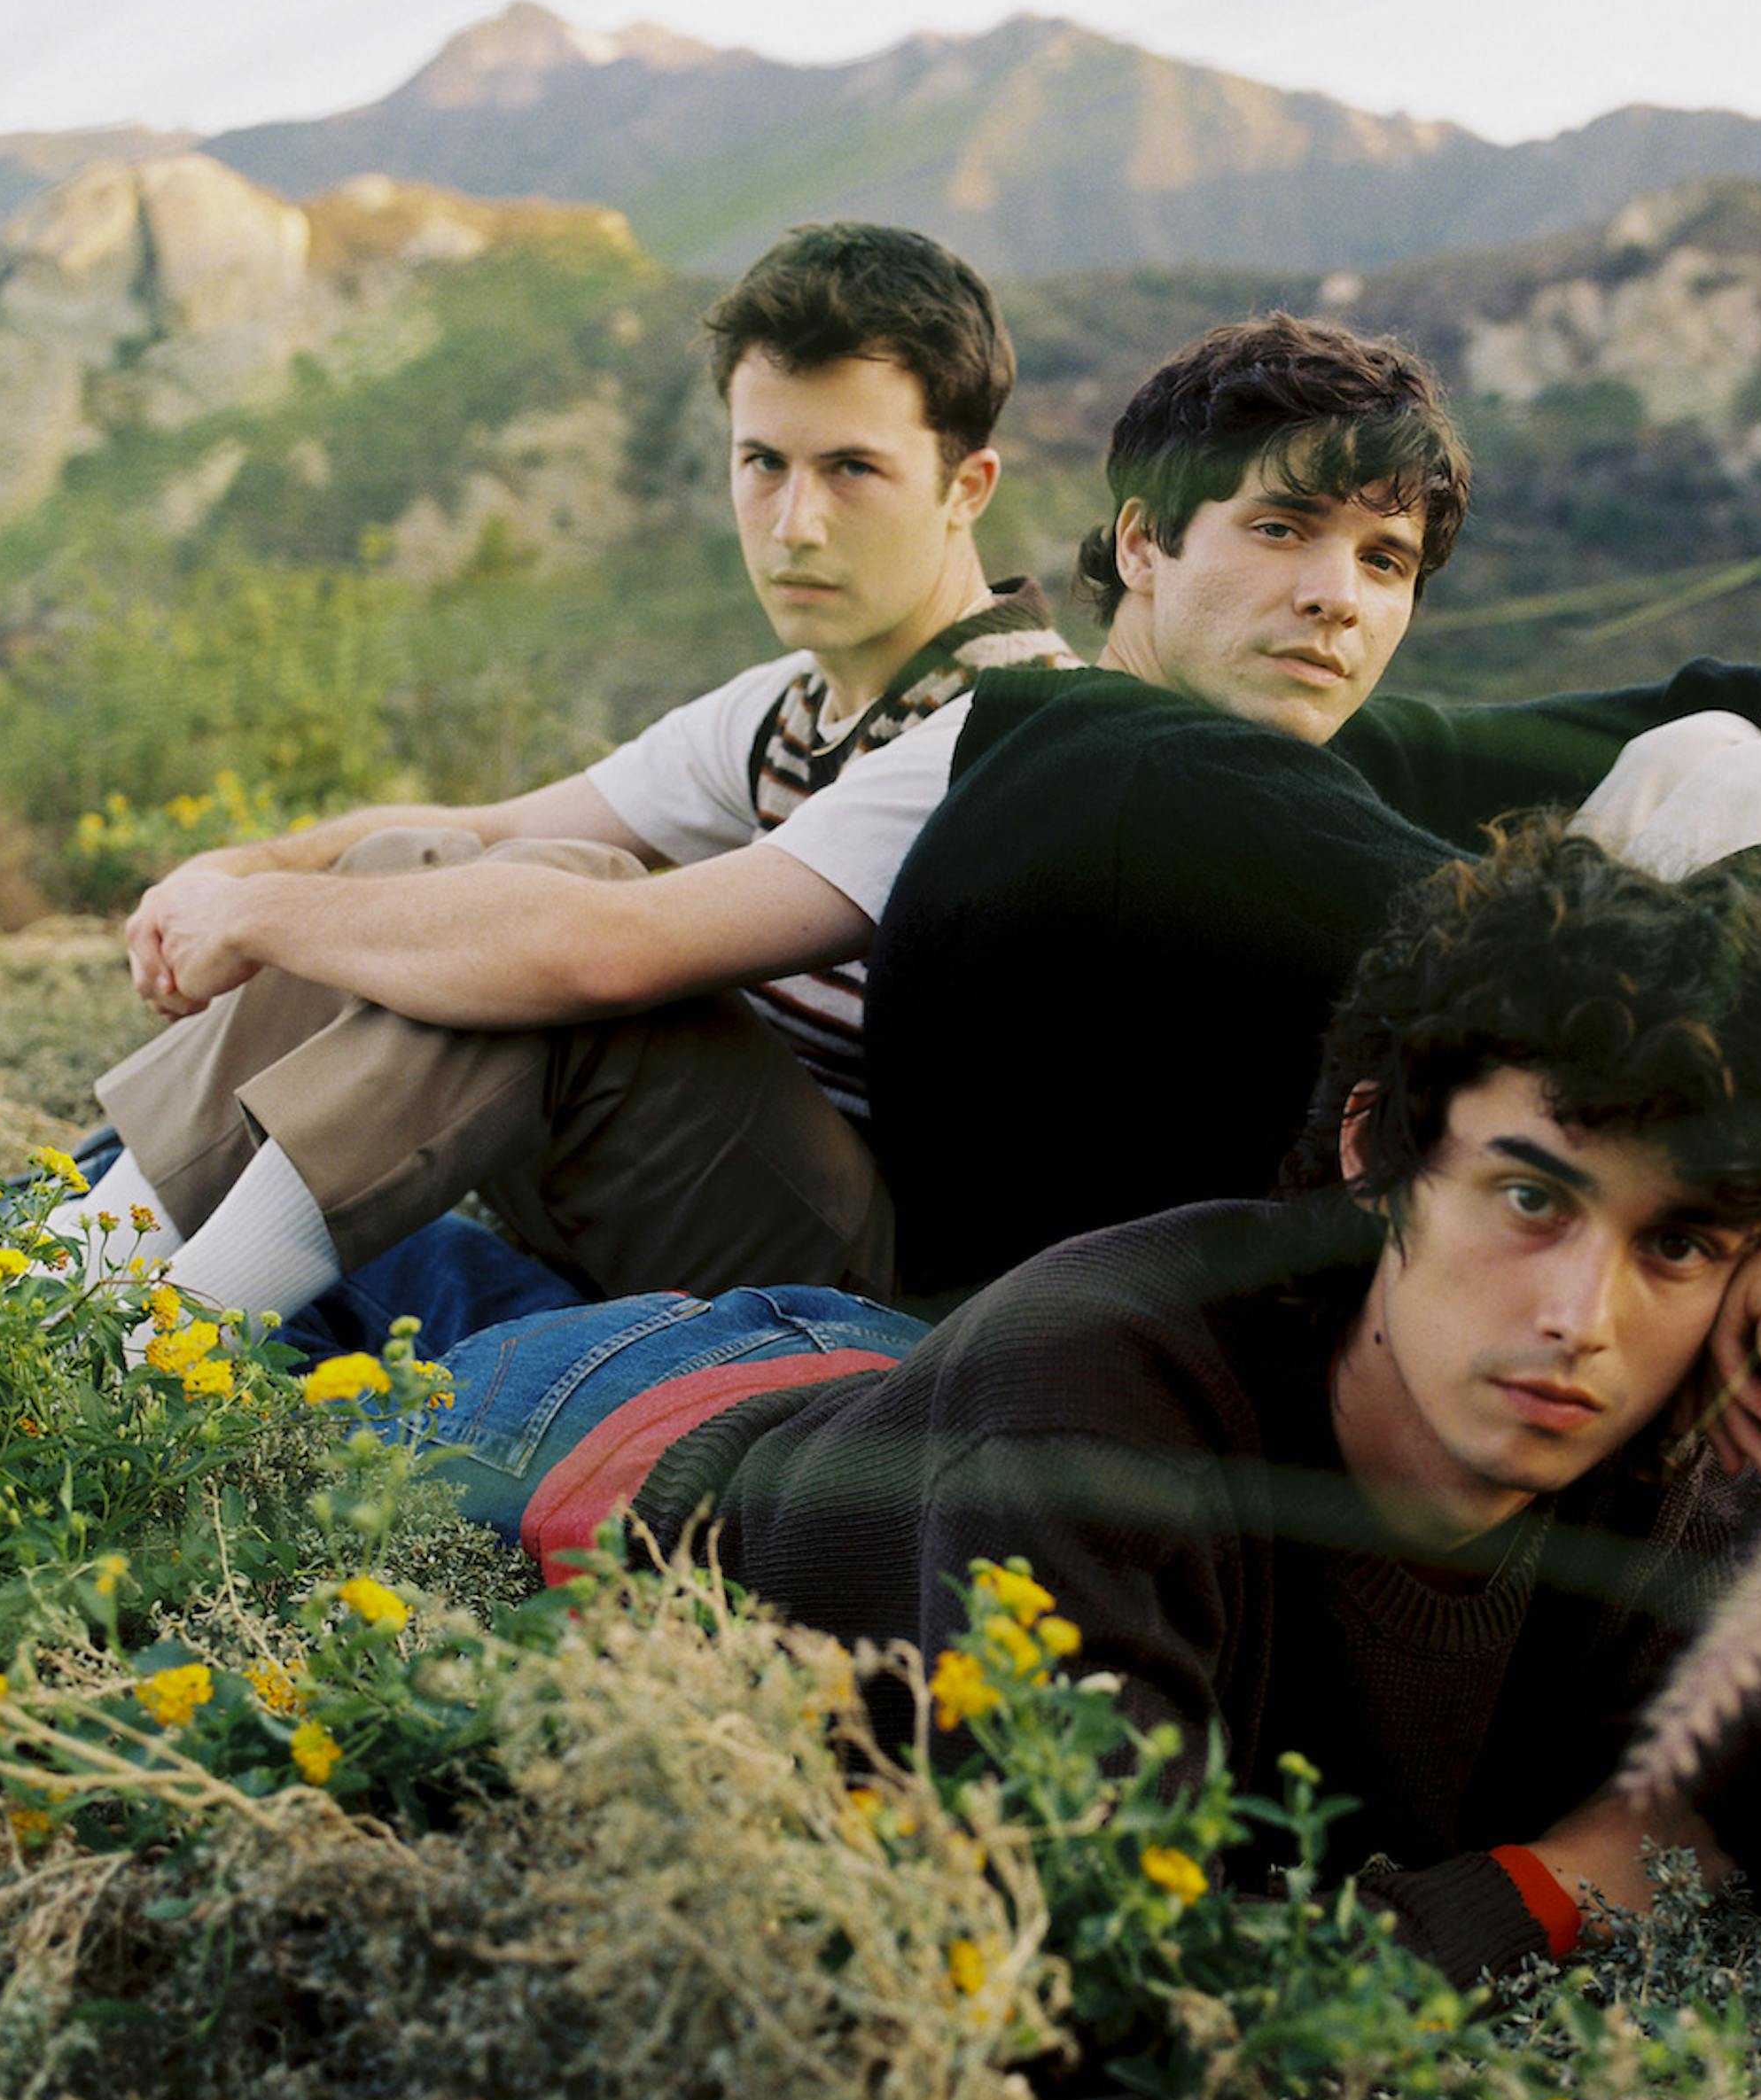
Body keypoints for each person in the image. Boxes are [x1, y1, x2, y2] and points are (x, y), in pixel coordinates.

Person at [411, 826, 1761, 2020]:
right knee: (325, 1332)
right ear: (1376, 1146)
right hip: (635, 1440)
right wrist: (1561, 1881)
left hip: (906, 1392)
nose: (1581, 1320)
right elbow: (1097, 2007)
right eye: (1531, 1198)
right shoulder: (1103, 1404)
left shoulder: (1656, 1481)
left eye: (1680, 1240)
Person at [860, 314, 1761, 1311]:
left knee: (1724, 759)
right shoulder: (1151, 779)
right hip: (1161, 1388)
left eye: (1384, 559)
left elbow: (1711, 695)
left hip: (1286, 1299)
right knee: (1729, 905)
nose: (1337, 596)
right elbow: (1634, 985)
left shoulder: (1193, 735)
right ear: (1147, 543)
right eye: (1281, 531)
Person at [56, 222, 1071, 1324]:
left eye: (853, 469)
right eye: (762, 462)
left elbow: (596, 953)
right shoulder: (789, 704)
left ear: (966, 486)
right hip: (708, 1204)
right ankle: (54, 1279)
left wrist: (261, 916)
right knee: (421, 869)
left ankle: (155, 1349)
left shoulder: (1000, 734)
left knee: (552, 938)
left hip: (879, 1295)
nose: (795, 523)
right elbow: (476, 828)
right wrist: (248, 866)